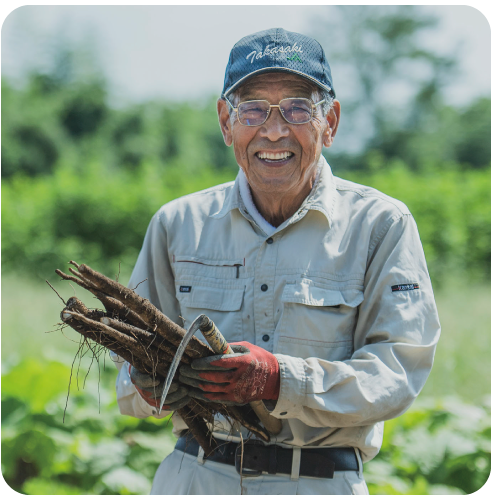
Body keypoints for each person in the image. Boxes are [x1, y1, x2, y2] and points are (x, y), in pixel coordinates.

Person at [112, 27, 441, 495]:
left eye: (298, 108)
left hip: (318, 482)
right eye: (252, 110)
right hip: (196, 477)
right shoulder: (177, 225)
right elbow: (128, 366)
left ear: (331, 122)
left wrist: (279, 380)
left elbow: (398, 371)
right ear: (226, 122)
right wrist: (147, 384)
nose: (273, 130)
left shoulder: (380, 225)